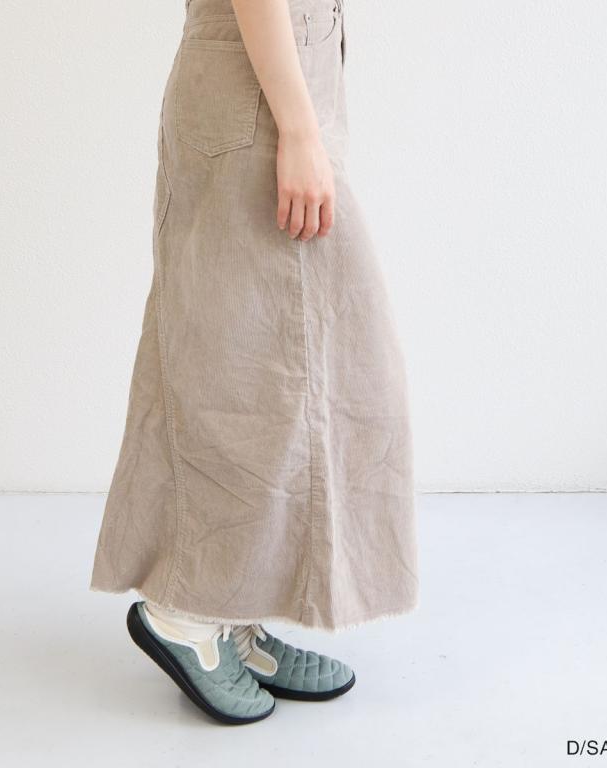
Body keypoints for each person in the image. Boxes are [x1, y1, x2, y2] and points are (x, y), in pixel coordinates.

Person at [89, 0, 419, 725]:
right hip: (258, 90)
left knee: (275, 368)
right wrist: (296, 129)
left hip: (280, 80)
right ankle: (185, 613)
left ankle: (231, 604)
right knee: (236, 368)